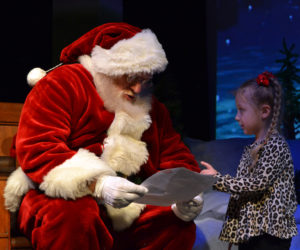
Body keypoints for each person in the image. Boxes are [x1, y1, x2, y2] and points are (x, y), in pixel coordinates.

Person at [4, 22, 204, 250]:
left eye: (145, 80)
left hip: (127, 203)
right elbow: (38, 148)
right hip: (52, 194)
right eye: (130, 77)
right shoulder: (63, 83)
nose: (138, 89)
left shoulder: (151, 107)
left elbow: (175, 154)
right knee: (75, 215)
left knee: (175, 225)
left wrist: (185, 193)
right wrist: (96, 184)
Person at [201, 71, 298, 250]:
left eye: (242, 110)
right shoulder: (254, 147)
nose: (237, 117)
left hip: (270, 236)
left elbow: (256, 185)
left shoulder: (275, 145)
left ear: (264, 111)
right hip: (253, 232)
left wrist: (218, 179)